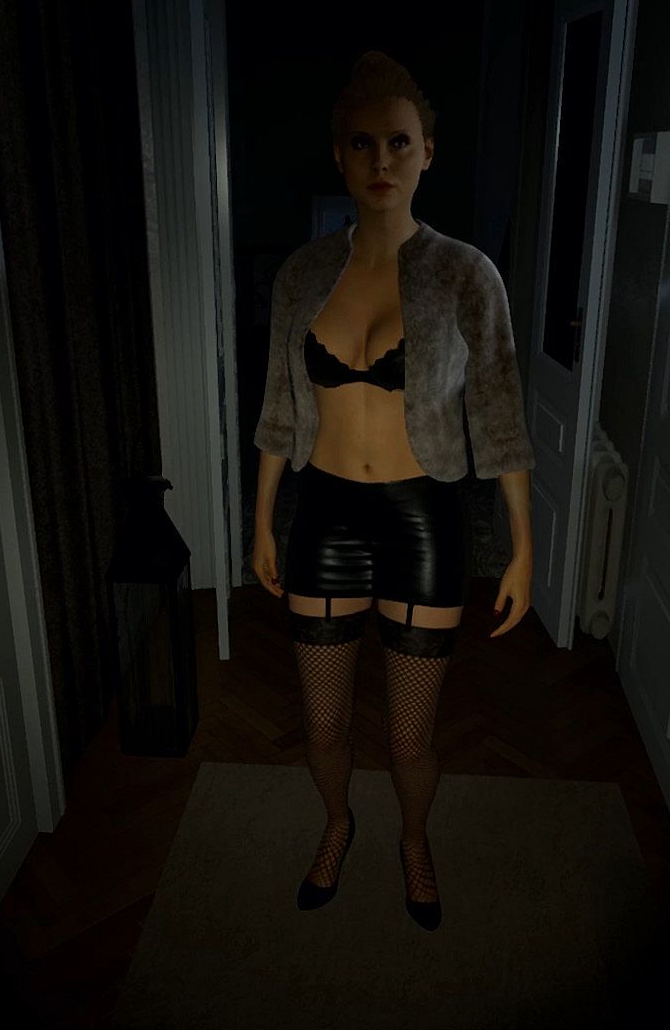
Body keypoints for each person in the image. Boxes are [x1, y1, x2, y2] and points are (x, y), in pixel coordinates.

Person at [249, 51, 536, 932]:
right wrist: (260, 523)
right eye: (362, 143)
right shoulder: (301, 275)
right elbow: (278, 411)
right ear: (339, 155)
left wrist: (523, 548)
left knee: (410, 735)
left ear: (427, 153)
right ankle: (337, 824)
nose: (382, 160)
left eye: (399, 142)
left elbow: (499, 415)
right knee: (323, 727)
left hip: (423, 522)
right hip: (324, 517)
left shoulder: (466, 275)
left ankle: (414, 840)